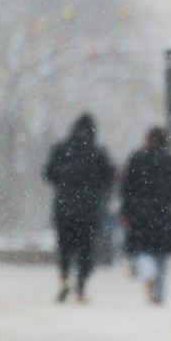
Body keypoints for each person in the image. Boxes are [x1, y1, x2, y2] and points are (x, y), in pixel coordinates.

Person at [44, 112, 115, 303]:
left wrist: (65, 181)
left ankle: (65, 277)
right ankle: (81, 287)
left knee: (65, 247)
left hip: (64, 209)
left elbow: (49, 174)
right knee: (87, 250)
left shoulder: (61, 149)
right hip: (90, 210)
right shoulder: (99, 152)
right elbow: (110, 178)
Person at [119, 128, 171, 304]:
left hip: (140, 215)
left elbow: (126, 188)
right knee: (161, 255)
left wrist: (127, 210)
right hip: (166, 215)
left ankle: (148, 275)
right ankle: (159, 293)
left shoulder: (137, 159)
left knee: (142, 250)